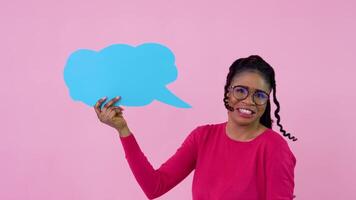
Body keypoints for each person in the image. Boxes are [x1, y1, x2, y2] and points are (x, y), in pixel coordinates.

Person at [94, 55, 297, 199]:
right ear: (228, 92)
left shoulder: (274, 148)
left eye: (259, 95)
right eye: (241, 90)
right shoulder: (203, 137)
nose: (249, 101)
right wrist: (123, 130)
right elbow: (154, 186)